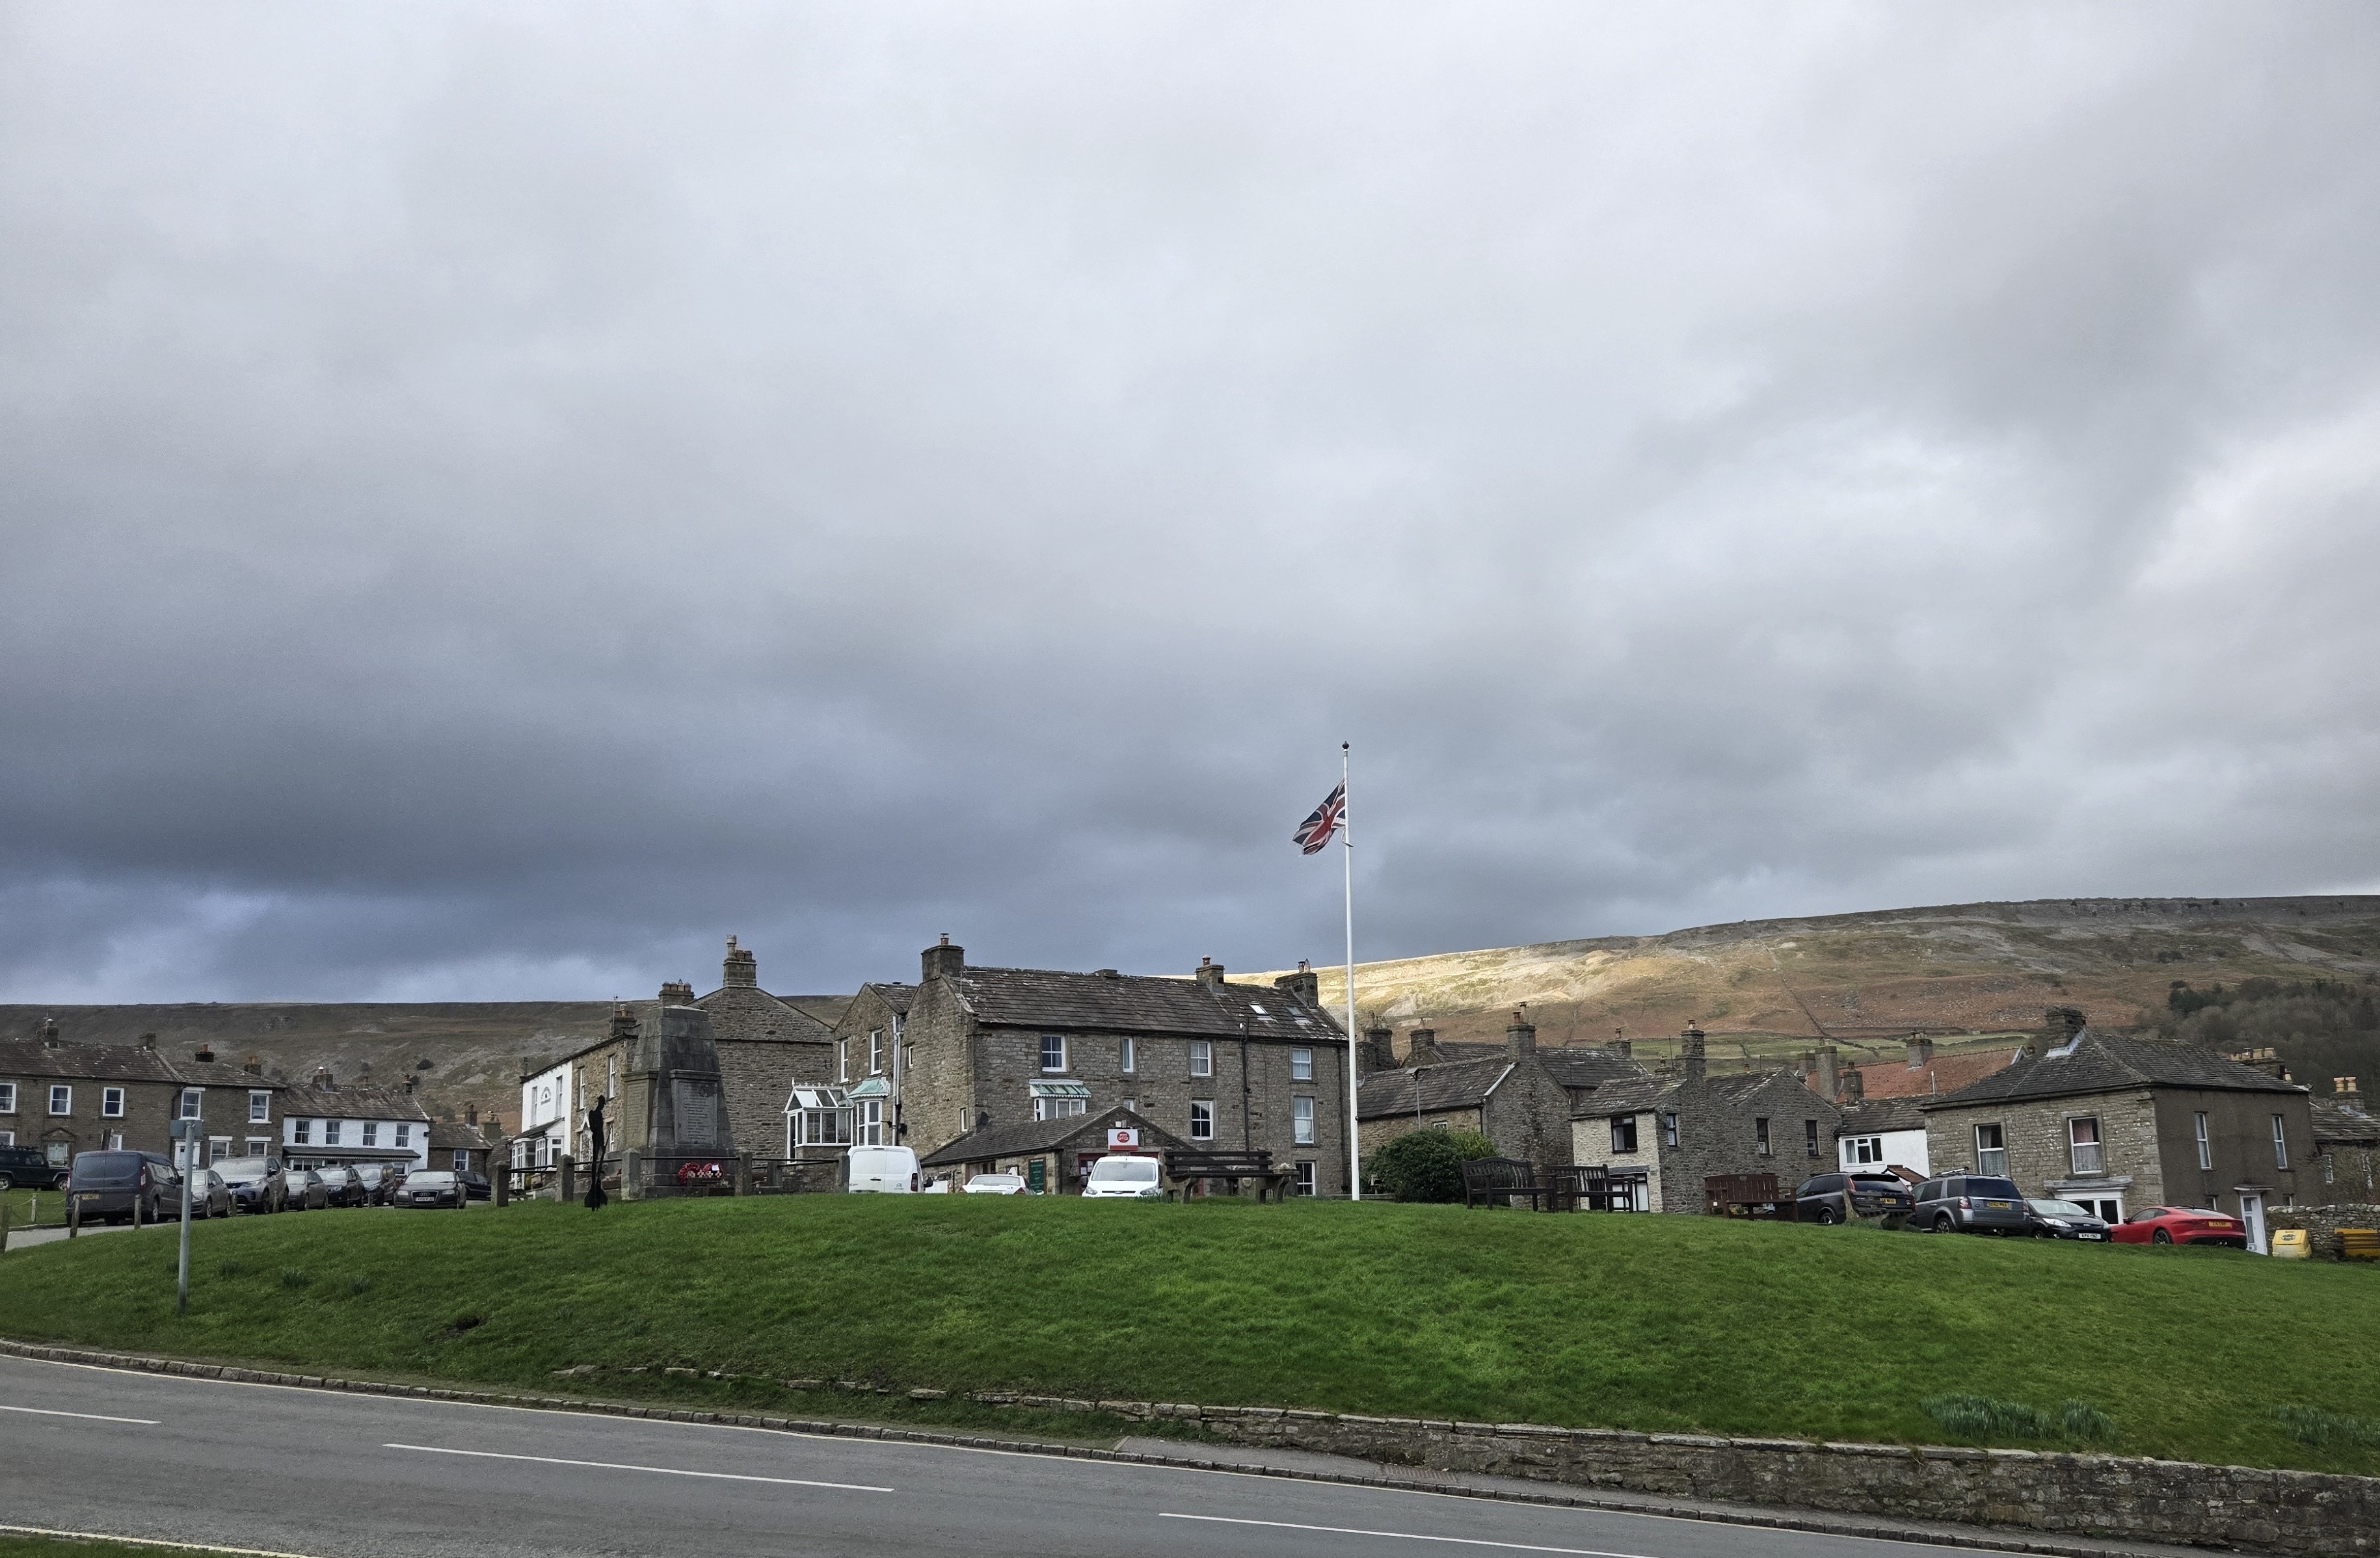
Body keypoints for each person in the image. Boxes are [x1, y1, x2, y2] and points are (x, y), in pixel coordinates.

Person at [583, 1094, 609, 1209]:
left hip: (600, 1138)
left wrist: (603, 1145)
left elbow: (601, 1131)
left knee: (598, 1162)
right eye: (602, 1104)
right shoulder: (594, 1114)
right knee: (595, 1162)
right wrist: (600, 1144)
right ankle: (593, 1202)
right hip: (596, 1138)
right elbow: (596, 1130)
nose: (603, 1106)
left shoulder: (598, 1114)